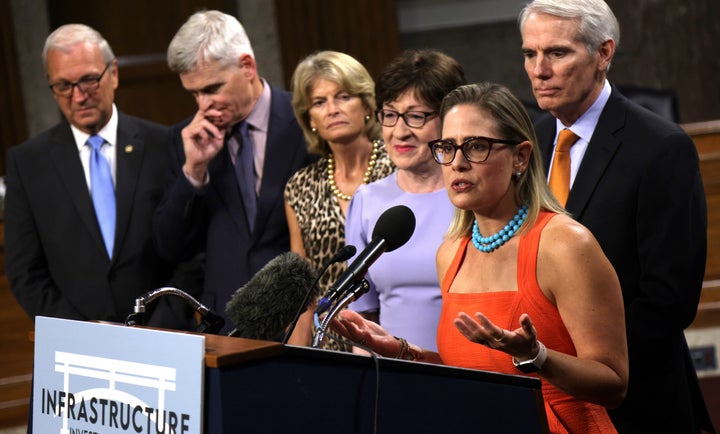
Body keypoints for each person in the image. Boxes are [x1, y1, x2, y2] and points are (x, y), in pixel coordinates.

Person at [329, 82, 629, 433]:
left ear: (520, 156)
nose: (457, 164)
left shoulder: (564, 244)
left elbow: (613, 383)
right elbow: (473, 376)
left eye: (476, 147)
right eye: (447, 147)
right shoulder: (451, 252)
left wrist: (536, 357)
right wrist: (400, 351)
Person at [518, 1, 713, 432]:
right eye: (530, 54)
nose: (539, 70)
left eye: (557, 52)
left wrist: (580, 366)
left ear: (604, 53)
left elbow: (669, 299)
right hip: (541, 395)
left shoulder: (661, 147)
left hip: (633, 400)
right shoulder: (527, 143)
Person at [5, 24, 191, 329]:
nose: (78, 97)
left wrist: (163, 324)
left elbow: (191, 251)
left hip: (164, 336)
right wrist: (82, 333)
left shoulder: (164, 145)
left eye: (89, 81)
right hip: (77, 346)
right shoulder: (27, 163)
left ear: (113, 73)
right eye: (63, 86)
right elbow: (25, 272)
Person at [153, 10, 313, 334]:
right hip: (224, 324)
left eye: (212, 88)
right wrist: (194, 171)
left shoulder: (306, 120)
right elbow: (170, 248)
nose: (203, 105)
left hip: (298, 318)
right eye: (194, 93)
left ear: (247, 67)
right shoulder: (185, 139)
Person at [345, 49, 466, 351]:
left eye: (415, 116)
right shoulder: (366, 200)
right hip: (392, 380)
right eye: (389, 114)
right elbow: (364, 319)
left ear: (449, 118)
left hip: (467, 375)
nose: (399, 132)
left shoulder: (473, 196)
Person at [283, 50, 395, 347]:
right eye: (320, 102)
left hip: (394, 335)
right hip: (330, 343)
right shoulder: (300, 186)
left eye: (343, 96)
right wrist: (296, 359)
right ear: (311, 119)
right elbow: (302, 290)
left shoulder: (398, 167)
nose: (332, 109)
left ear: (367, 105)